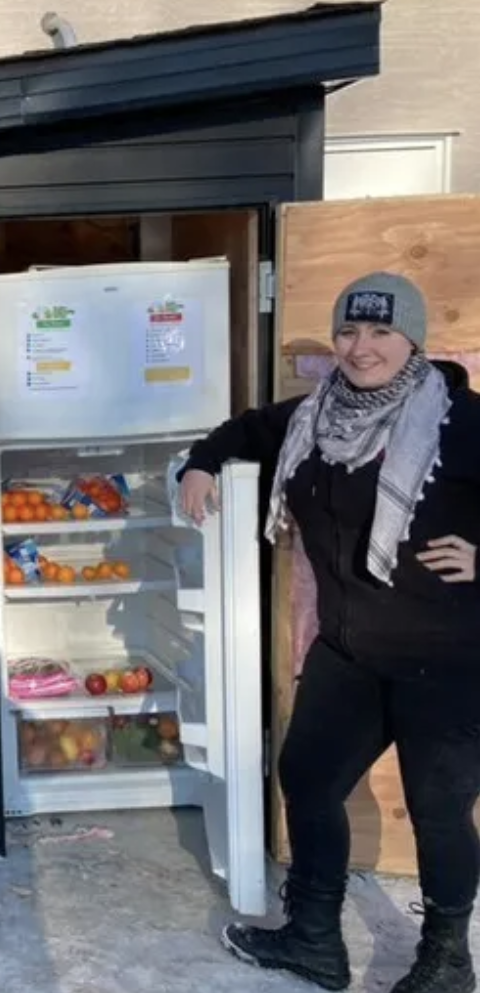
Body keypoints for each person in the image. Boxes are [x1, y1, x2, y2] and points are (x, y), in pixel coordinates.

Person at [178, 273, 480, 993]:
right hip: (349, 650)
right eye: (349, 331)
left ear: (413, 338)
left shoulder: (461, 422)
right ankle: (315, 939)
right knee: (309, 781)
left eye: (380, 331)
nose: (361, 347)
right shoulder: (316, 416)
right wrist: (200, 463)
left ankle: (447, 960)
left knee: (438, 810)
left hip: (445, 657)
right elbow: (244, 429)